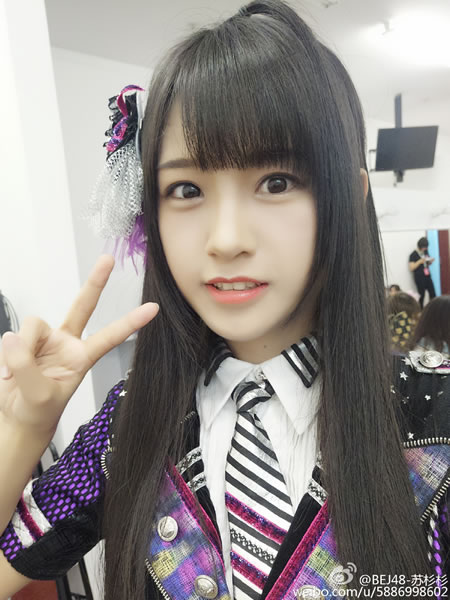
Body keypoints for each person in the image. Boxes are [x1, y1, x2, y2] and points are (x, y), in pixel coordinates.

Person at [1, 2, 449, 599]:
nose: (227, 239)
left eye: (276, 182)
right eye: (187, 189)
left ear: (348, 194)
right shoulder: (132, 422)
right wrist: (23, 429)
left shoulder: (435, 414)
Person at [409, 237, 436, 308]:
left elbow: (426, 262)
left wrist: (430, 261)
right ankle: (421, 310)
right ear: (420, 246)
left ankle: (433, 308)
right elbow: (411, 268)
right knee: (422, 295)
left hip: (427, 276)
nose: (425, 249)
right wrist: (420, 261)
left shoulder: (425, 252)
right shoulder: (413, 254)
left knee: (433, 293)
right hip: (419, 277)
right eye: (424, 247)